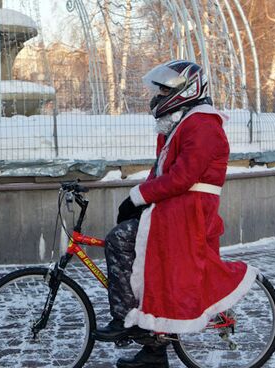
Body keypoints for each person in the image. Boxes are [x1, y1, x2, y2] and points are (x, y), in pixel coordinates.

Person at [94, 60, 258, 368]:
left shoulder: (203, 123)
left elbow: (184, 176)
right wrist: (139, 198)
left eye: (164, 90)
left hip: (189, 213)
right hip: (175, 209)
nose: (157, 97)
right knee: (149, 267)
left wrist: (137, 197)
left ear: (186, 90)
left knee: (119, 240)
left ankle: (126, 319)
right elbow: (161, 173)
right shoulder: (182, 123)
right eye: (159, 90)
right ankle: (153, 351)